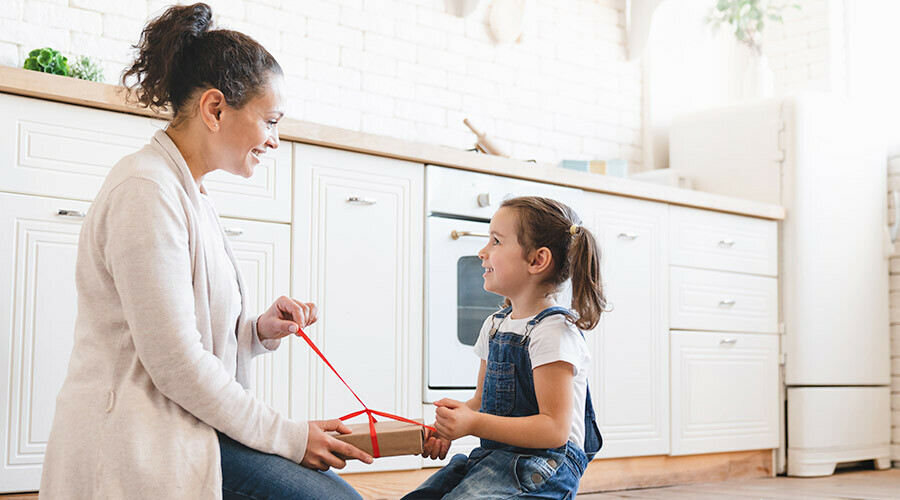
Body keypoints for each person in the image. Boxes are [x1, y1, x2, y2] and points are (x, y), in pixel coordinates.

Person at [38, 4, 371, 499]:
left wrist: (256, 330)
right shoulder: (146, 190)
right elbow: (176, 363)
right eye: (270, 121)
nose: (275, 141)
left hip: (185, 422)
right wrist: (289, 436)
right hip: (139, 437)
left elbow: (178, 336)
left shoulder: (187, 191)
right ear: (215, 109)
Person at [404, 196, 604, 499]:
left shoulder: (553, 331)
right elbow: (481, 402)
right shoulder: (495, 325)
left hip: (545, 467)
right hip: (497, 458)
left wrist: (473, 423)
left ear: (537, 261)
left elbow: (553, 429)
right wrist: (450, 426)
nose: (482, 251)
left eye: (496, 241)